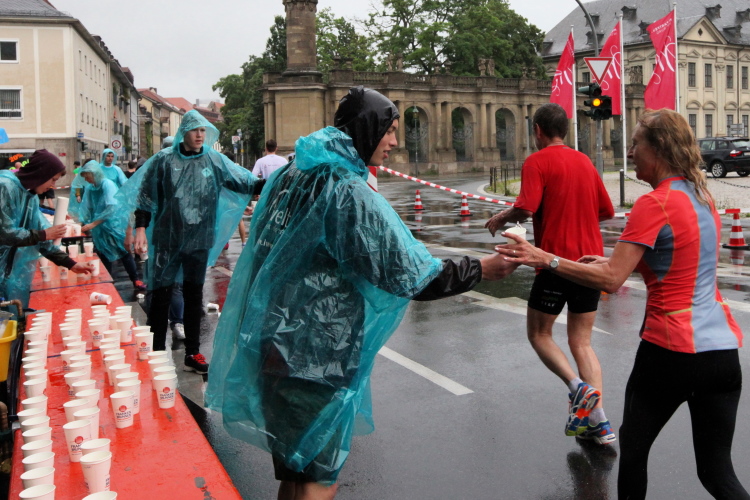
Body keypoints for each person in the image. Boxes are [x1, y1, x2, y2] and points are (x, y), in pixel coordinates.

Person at [205, 86, 517, 500]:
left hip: (270, 342)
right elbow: (409, 274)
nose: (394, 142)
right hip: (313, 355)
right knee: (318, 479)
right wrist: (481, 269)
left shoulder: (292, 174)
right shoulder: (344, 190)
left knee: (295, 467)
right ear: (367, 129)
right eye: (389, 130)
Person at [498, 109, 749, 500]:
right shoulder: (703, 197)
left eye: (635, 144)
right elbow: (676, 260)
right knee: (717, 474)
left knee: (632, 451)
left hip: (671, 351)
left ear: (658, 148)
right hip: (722, 354)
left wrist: (545, 258)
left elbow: (612, 281)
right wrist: (607, 261)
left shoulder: (654, 203)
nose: (629, 153)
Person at [485, 103, 615, 444]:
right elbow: (606, 211)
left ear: (538, 130)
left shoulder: (537, 161)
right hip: (589, 264)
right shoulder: (584, 161)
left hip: (554, 262)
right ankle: (599, 422)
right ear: (566, 130)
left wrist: (502, 217)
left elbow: (526, 208)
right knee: (582, 342)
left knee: (539, 333)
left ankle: (577, 388)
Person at [117, 110, 263, 374]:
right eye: (195, 130)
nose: (199, 135)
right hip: (167, 239)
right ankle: (157, 352)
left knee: (194, 296)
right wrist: (140, 229)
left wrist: (281, 180)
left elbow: (246, 183)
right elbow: (145, 197)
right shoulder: (163, 160)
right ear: (184, 132)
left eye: (203, 130)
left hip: (199, 239)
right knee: (160, 296)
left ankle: (192, 353)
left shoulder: (214, 160)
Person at [0, 150, 94, 308]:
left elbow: (43, 240)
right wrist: (43, 234)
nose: (53, 186)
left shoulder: (30, 197)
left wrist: (71, 264)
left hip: (8, 272)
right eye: (53, 180)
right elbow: (5, 233)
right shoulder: (5, 187)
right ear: (40, 174)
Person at [77, 161, 146, 291]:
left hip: (114, 224)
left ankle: (135, 279)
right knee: (103, 254)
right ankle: (107, 284)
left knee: (123, 251)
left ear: (94, 173)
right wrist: (84, 222)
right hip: (100, 228)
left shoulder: (107, 184)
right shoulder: (91, 188)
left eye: (87, 176)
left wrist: (93, 223)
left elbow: (112, 207)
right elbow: (87, 207)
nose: (86, 179)